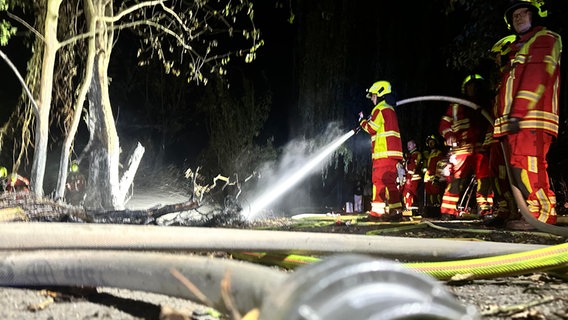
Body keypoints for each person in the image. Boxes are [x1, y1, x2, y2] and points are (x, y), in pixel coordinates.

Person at [493, 0, 561, 229]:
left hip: (531, 117)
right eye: (515, 16)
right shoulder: (520, 48)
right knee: (518, 168)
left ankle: (541, 215)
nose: (519, 18)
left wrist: (518, 113)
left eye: (524, 13)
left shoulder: (544, 39)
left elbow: (536, 76)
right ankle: (529, 213)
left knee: (530, 166)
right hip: (517, 120)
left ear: (535, 16)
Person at [439, 74, 491, 220]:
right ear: (465, 88)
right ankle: (448, 212)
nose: (473, 88)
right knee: (456, 179)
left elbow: (491, 124)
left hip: (481, 149)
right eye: (470, 85)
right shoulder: (456, 105)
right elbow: (444, 122)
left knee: (485, 180)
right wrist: (448, 133)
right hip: (461, 148)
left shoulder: (486, 105)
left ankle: (485, 210)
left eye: (476, 85)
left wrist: (489, 143)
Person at [358, 80, 404, 221]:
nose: (372, 99)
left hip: (383, 153)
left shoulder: (379, 109)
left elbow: (371, 128)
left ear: (380, 94)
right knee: (390, 183)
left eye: (373, 96)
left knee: (378, 181)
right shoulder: (390, 109)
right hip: (393, 154)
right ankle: (395, 211)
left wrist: (361, 121)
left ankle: (377, 212)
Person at [422, 135, 447, 218]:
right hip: (428, 179)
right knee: (430, 195)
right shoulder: (429, 154)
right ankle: (431, 211)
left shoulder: (438, 153)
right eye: (429, 143)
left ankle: (438, 211)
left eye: (432, 142)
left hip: (436, 178)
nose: (431, 144)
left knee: (437, 195)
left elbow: (440, 165)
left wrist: (437, 177)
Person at [401, 139, 423, 217]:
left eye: (410, 145)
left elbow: (412, 167)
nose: (408, 146)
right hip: (409, 178)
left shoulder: (416, 154)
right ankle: (409, 209)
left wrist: (408, 179)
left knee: (409, 194)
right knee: (407, 194)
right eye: (408, 145)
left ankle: (411, 210)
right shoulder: (410, 155)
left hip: (413, 179)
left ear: (414, 145)